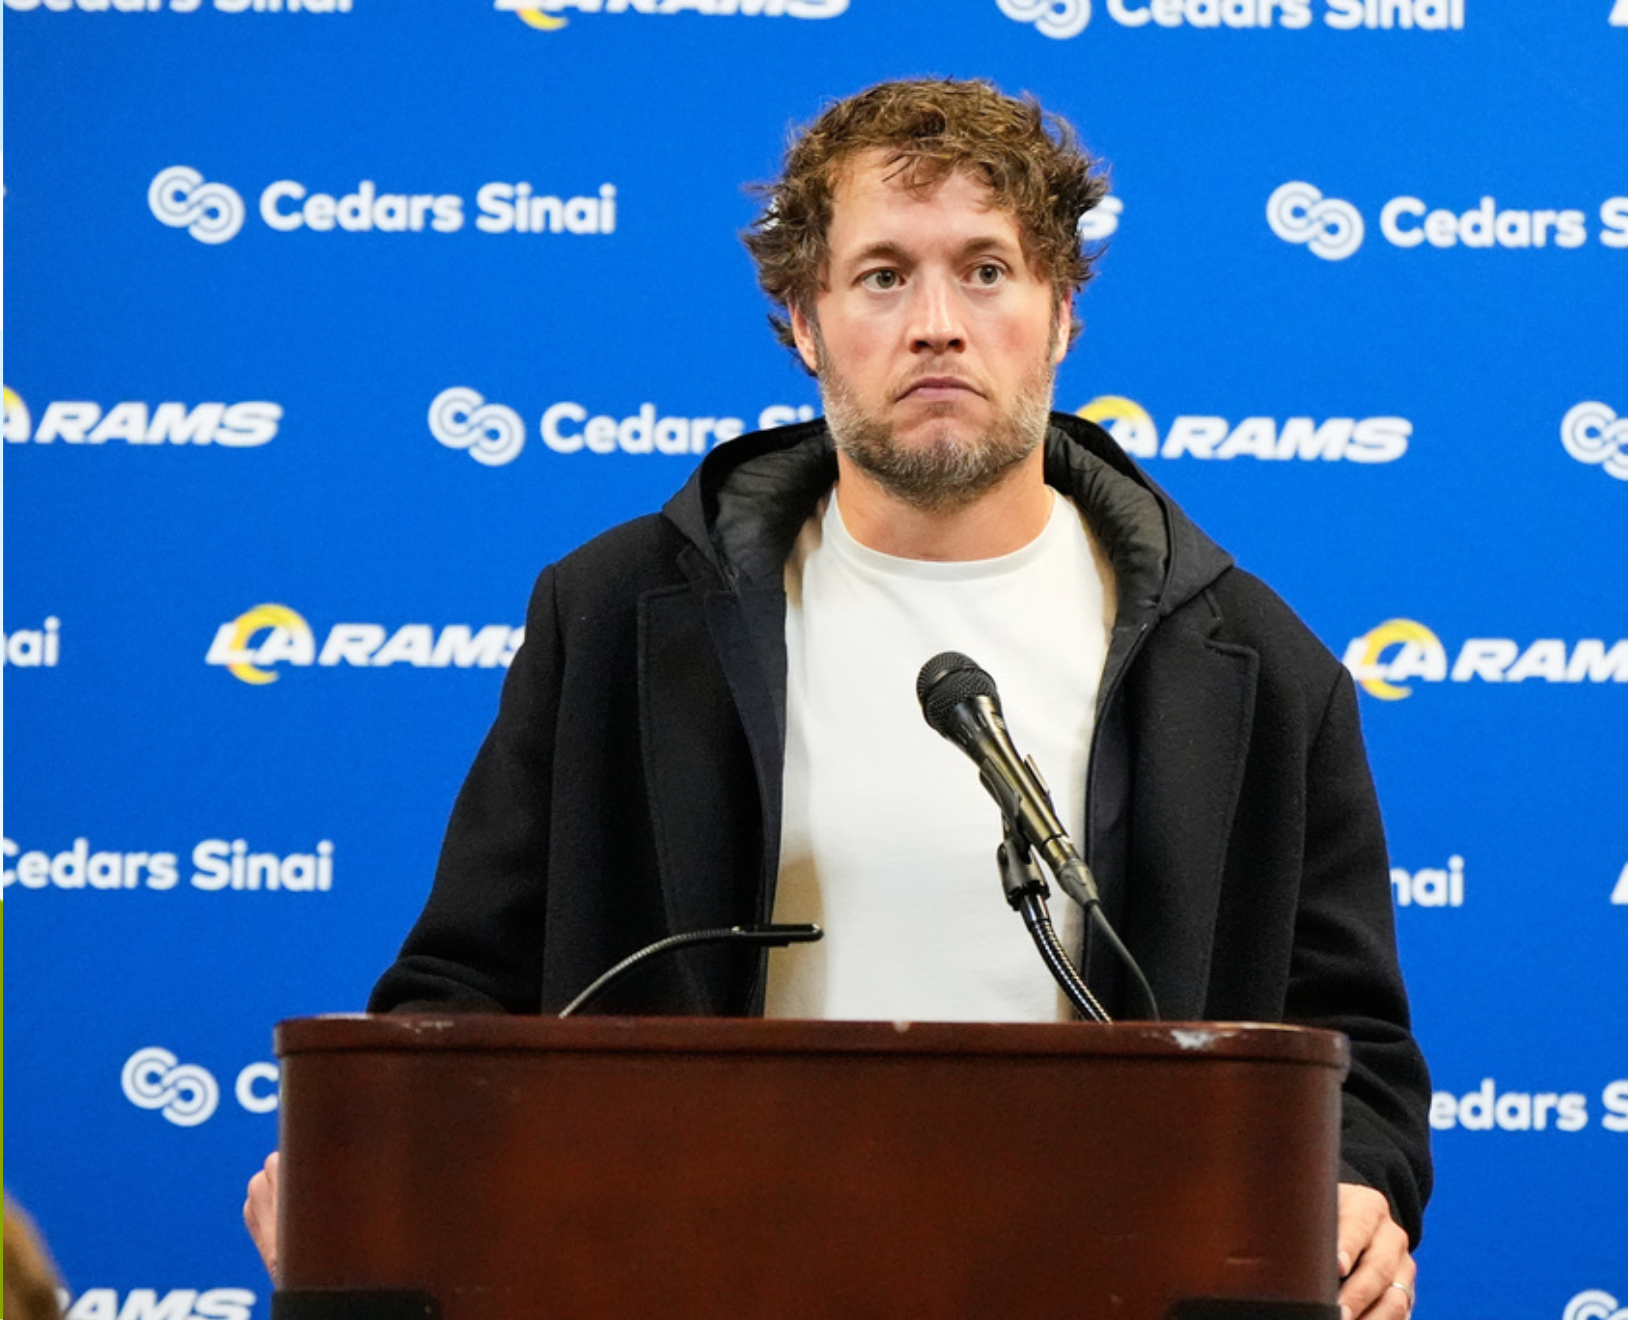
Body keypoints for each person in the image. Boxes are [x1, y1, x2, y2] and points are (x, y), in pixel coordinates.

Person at [247, 78, 1430, 1317]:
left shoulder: (1250, 660)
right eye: (881, 276)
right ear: (803, 323)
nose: (936, 324)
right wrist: (363, 1157)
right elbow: (458, 993)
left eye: (986, 271)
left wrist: (1358, 1190)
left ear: (1062, 311)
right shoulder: (613, 619)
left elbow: (1358, 1046)